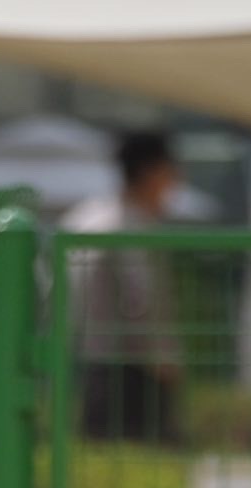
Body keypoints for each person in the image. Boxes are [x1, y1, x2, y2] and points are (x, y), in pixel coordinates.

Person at [63, 131, 183, 446]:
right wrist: (163, 355)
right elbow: (138, 297)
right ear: (151, 172)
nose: (175, 182)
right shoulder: (129, 226)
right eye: (171, 172)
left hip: (92, 358)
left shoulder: (88, 216)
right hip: (135, 370)